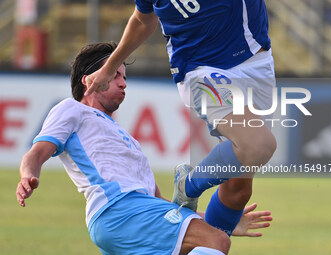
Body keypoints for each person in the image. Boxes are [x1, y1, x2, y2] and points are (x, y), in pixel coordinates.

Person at [16, 42, 272, 255]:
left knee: (215, 238)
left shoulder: (126, 138)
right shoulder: (72, 109)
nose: (123, 83)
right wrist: (28, 175)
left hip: (128, 217)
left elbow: (159, 205)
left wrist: (211, 222)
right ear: (89, 80)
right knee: (216, 243)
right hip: (119, 211)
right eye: (115, 75)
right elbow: (37, 152)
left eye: (124, 77)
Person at [83, 0, 277, 237]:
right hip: (202, 70)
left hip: (257, 61)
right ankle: (189, 184)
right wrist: (109, 66)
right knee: (257, 145)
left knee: (237, 189)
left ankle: (205, 249)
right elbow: (142, 19)